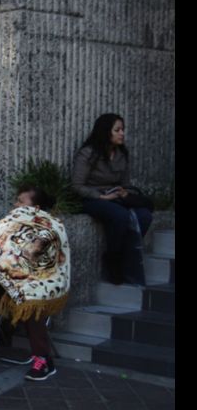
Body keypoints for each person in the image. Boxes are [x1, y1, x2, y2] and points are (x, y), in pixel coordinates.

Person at [0, 186, 68, 381]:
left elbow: (40, 261)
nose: (15, 205)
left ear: (35, 207)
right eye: (17, 201)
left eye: (21, 201)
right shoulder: (9, 224)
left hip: (34, 286)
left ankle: (43, 359)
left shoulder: (52, 228)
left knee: (31, 300)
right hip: (4, 284)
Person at [72, 113, 152, 285]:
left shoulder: (122, 154)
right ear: (105, 132)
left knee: (144, 215)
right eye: (117, 130)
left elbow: (127, 184)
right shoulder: (88, 154)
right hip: (92, 199)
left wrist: (124, 192)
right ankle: (112, 258)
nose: (122, 133)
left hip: (116, 197)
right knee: (120, 216)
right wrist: (101, 196)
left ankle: (127, 256)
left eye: (123, 130)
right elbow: (77, 186)